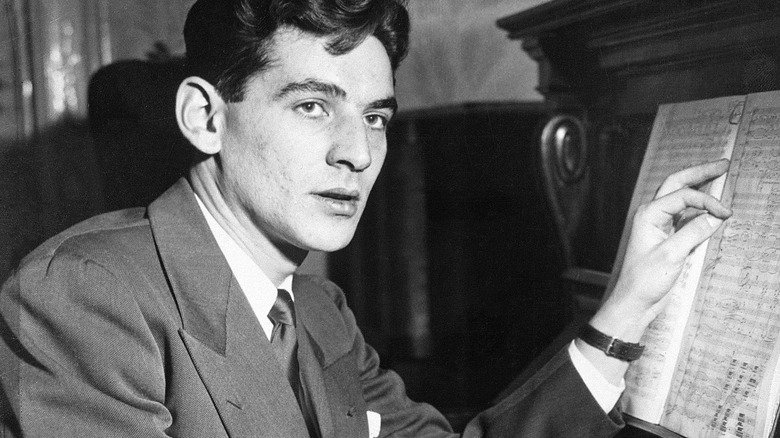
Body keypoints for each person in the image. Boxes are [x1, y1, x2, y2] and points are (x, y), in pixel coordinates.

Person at [0, 0, 733, 436]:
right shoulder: (87, 293)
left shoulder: (318, 311)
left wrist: (624, 313)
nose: (358, 153)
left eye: (376, 116)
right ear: (205, 117)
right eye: (313, 105)